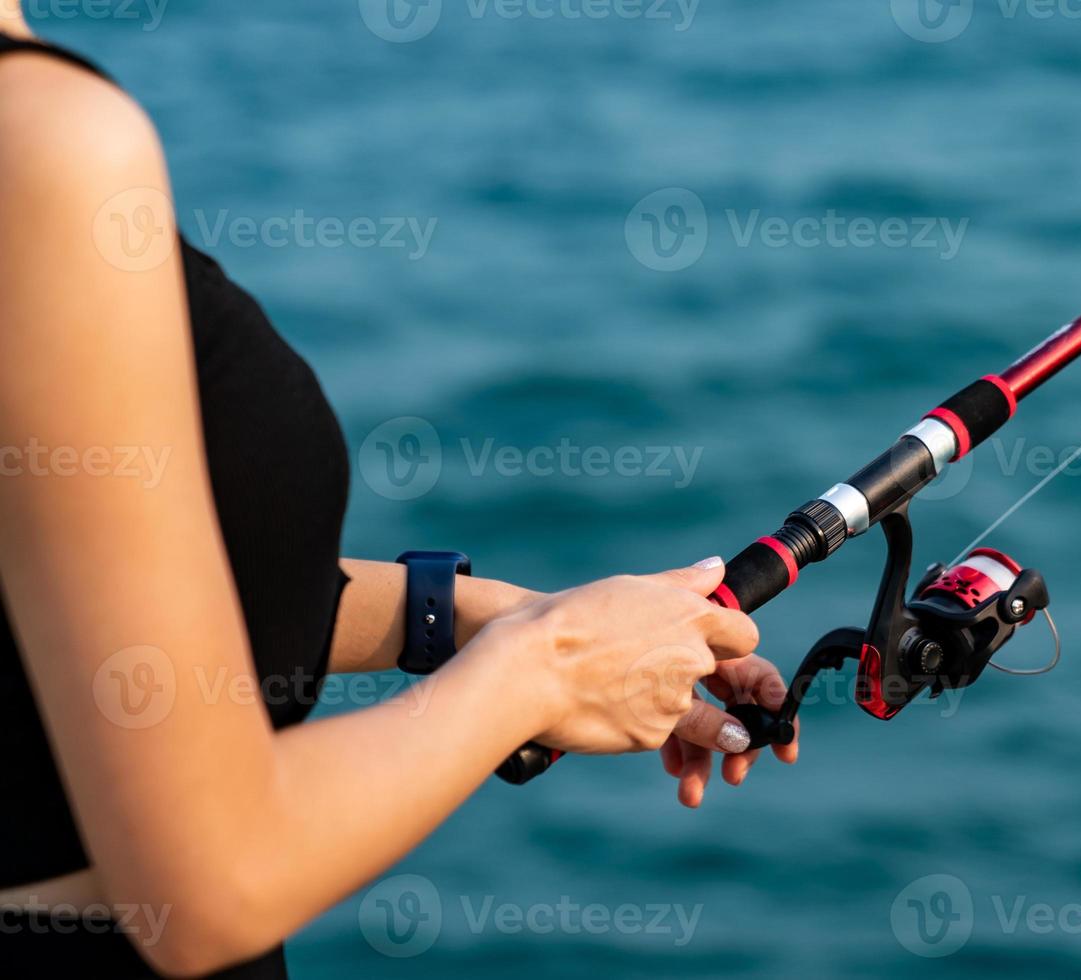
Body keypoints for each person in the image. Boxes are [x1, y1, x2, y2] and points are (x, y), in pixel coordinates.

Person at [0, 15, 796, 977]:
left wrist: (461, 617)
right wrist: (543, 668)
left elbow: (61, 588)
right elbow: (209, 884)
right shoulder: (41, 139)